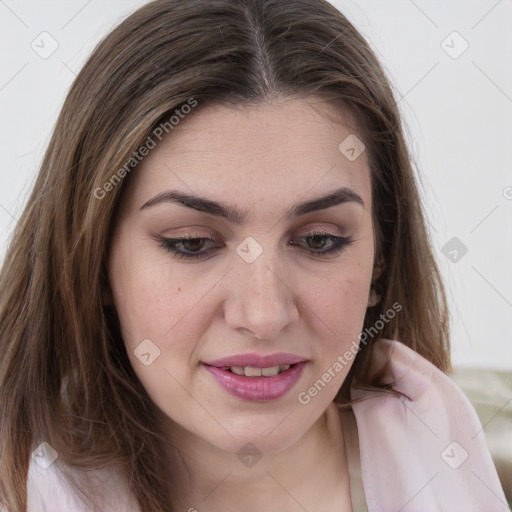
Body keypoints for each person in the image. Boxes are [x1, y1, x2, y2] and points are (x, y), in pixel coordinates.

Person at [0, 0, 508, 511]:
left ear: (381, 256)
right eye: (192, 243)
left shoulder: (460, 454)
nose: (263, 316)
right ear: (95, 264)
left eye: (319, 240)